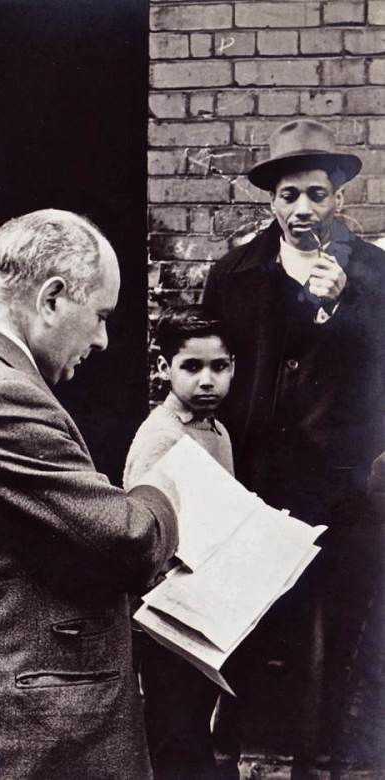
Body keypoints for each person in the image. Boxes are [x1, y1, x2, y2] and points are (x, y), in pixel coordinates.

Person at [0, 209, 179, 780]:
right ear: (51, 298)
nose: (102, 339)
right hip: (21, 738)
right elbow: (131, 538)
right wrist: (161, 489)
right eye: (99, 316)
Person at [202, 119, 385, 778]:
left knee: (338, 627)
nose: (302, 208)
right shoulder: (235, 273)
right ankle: (227, 749)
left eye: (316, 193)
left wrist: (338, 314)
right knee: (250, 621)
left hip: (344, 484)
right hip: (257, 482)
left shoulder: (373, 273)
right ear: (270, 201)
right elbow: (212, 369)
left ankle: (320, 759)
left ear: (339, 197)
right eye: (288, 195)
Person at [124, 305, 235, 780]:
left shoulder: (218, 430)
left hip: (209, 606)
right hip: (168, 613)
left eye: (220, 366)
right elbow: (135, 528)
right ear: (164, 368)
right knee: (175, 730)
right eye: (191, 367)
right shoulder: (160, 436)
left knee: (199, 722)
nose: (207, 380)